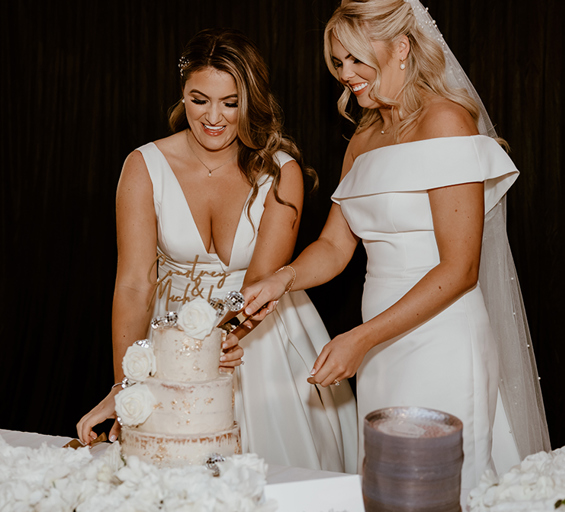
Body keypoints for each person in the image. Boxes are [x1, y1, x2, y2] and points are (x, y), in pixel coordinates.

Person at [241, 0, 550, 500]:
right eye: (339, 63)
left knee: (444, 488)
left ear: (402, 47)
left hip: (441, 339)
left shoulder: (447, 121)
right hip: (378, 346)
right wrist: (282, 280)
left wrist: (362, 339)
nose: (347, 76)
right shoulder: (363, 136)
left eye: (358, 60)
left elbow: (460, 268)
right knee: (388, 490)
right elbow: (335, 246)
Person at [76, 28, 357, 473]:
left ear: (252, 101)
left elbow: (258, 284)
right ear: (182, 94)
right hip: (168, 338)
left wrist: (212, 347)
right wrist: (125, 383)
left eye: (231, 103)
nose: (214, 117)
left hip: (260, 336)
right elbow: (134, 283)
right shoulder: (143, 166)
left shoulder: (281, 172)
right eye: (199, 99)